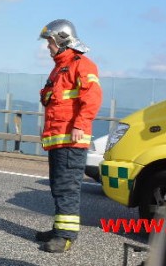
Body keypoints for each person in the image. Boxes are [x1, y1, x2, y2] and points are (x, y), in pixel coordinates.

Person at [36, 19, 102, 253]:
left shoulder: (82, 65)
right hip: (58, 138)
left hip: (71, 139)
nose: (48, 47)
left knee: (67, 188)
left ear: (62, 41)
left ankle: (65, 237)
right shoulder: (60, 67)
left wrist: (80, 125)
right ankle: (59, 229)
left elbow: (92, 98)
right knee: (58, 186)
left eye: (50, 42)